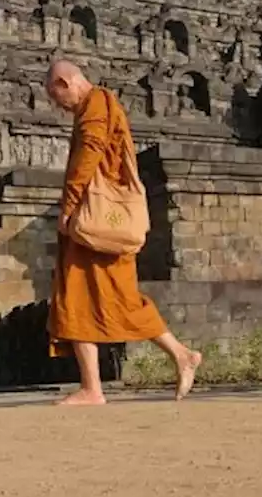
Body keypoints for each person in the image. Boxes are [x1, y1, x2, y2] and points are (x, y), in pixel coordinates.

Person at [45, 60, 201, 405]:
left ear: (66, 81)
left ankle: (101, 384)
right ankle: (97, 385)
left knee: (103, 297)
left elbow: (89, 153)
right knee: (85, 298)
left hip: (96, 222)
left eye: (55, 95)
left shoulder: (97, 103)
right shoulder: (94, 105)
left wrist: (69, 205)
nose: (57, 105)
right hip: (96, 225)